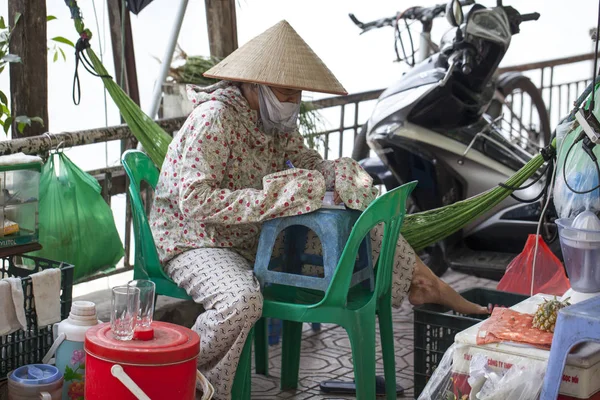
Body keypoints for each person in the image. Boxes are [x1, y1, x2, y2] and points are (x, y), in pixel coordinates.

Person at [149, 20, 486, 400]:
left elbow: (303, 158)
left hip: (249, 235)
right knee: (242, 302)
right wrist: (278, 196)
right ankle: (188, 379)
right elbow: (194, 201)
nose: (291, 100)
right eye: (284, 91)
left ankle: (423, 283)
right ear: (252, 85)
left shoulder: (272, 118)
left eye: (296, 93)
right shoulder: (213, 120)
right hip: (196, 241)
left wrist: (334, 172)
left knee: (356, 217)